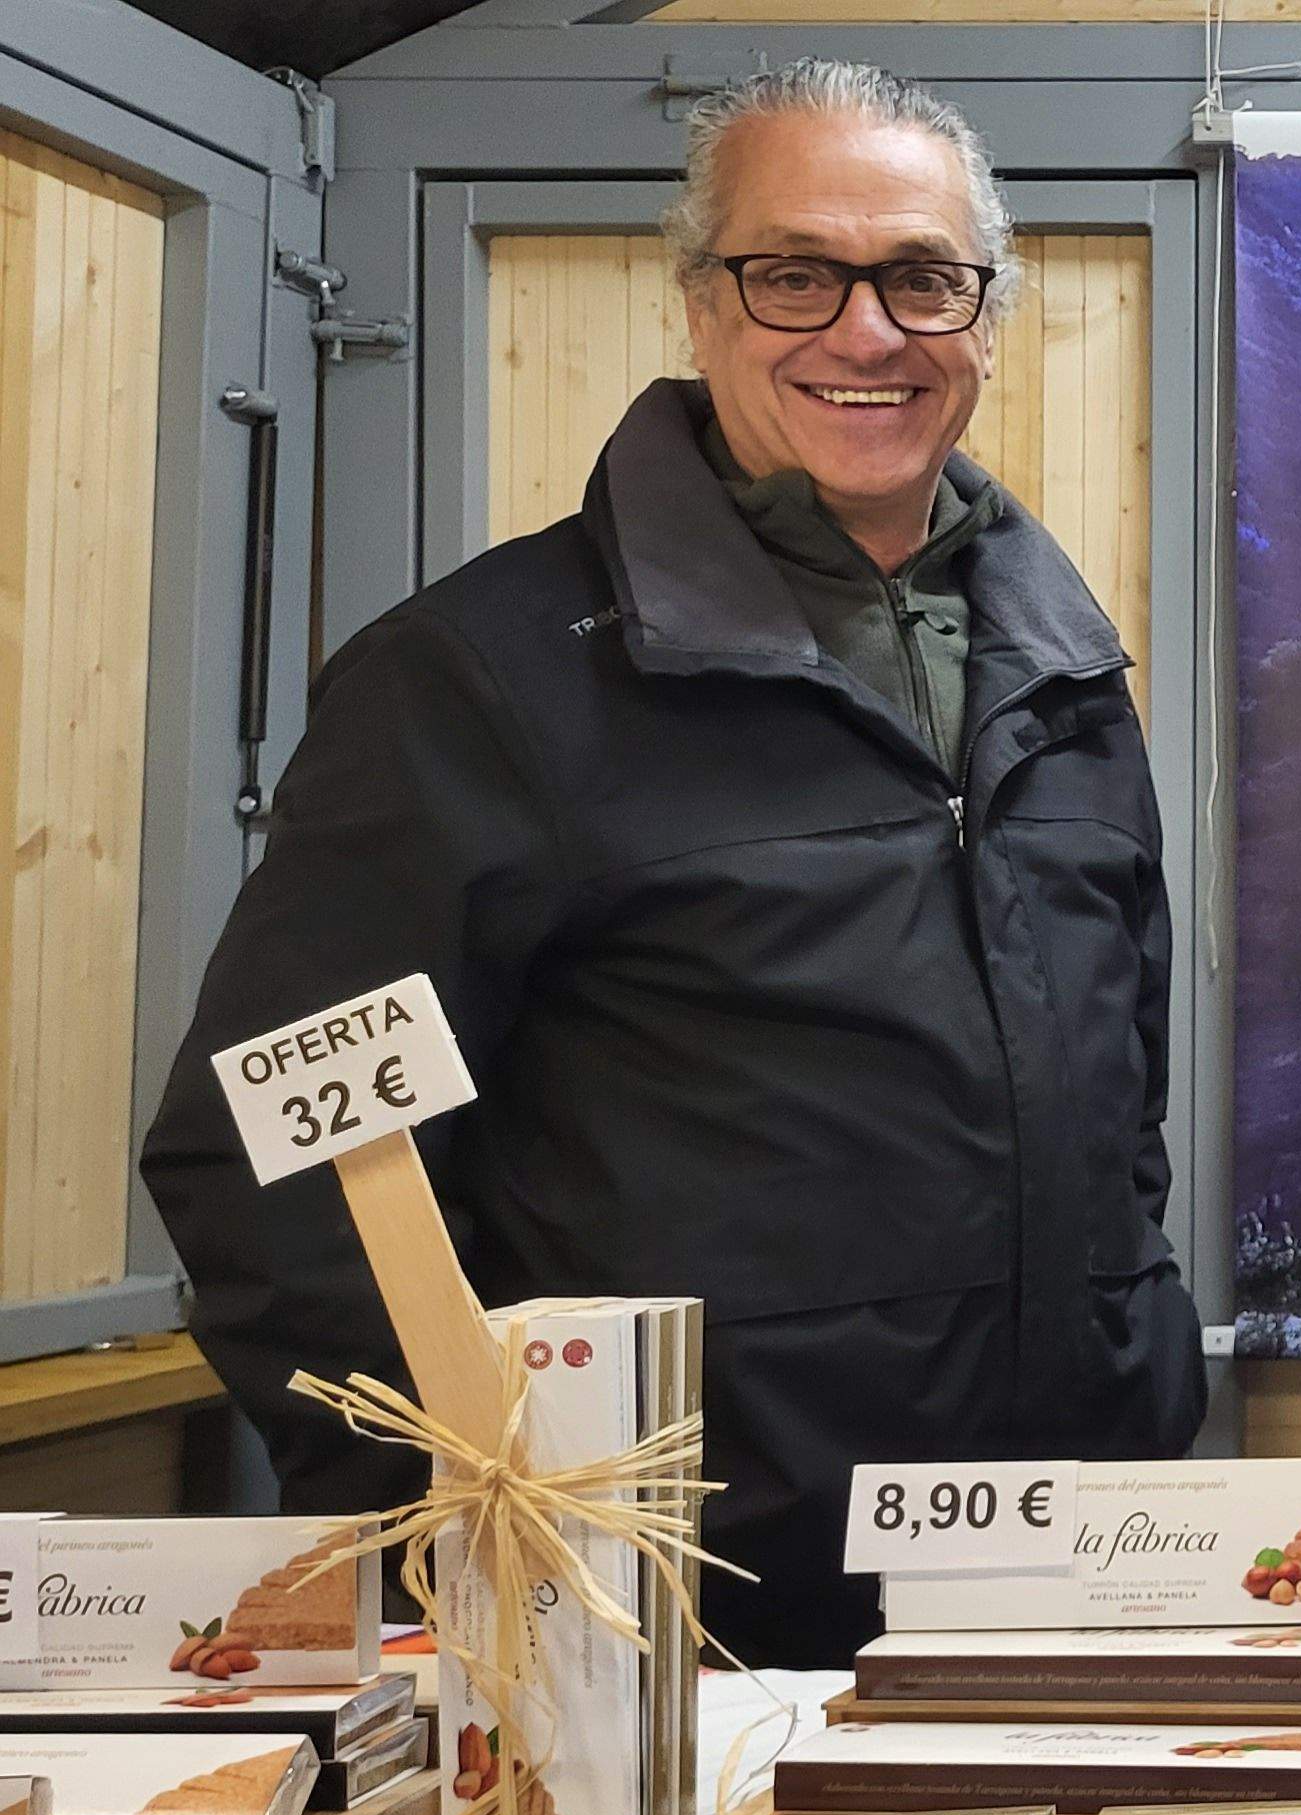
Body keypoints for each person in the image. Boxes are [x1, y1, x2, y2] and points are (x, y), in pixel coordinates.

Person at [137, 60, 1204, 1667]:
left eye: (922, 278)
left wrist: (1141, 1362)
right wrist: (477, 1534)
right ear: (700, 304)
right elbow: (272, 1150)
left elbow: (1121, 1111)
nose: (867, 332)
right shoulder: (480, 683)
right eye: (797, 275)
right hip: (667, 1639)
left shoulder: (1060, 675)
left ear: (984, 318)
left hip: (1070, 1589)